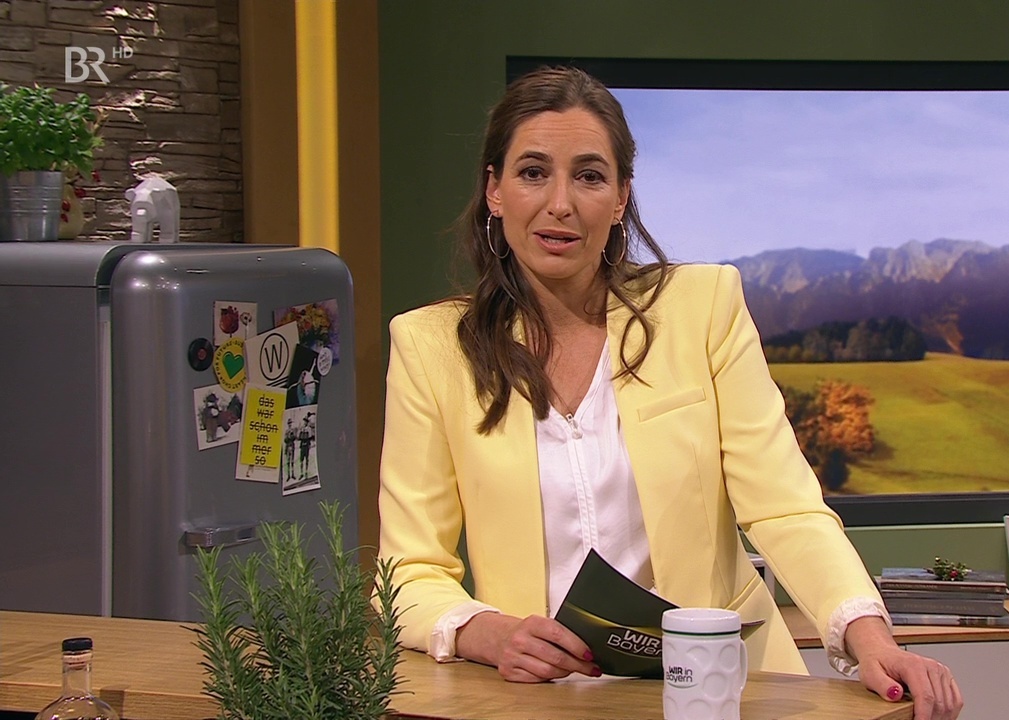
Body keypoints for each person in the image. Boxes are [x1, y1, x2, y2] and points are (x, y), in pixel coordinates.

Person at [379, 66, 962, 719]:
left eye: (589, 176)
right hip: (539, 701)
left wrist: (869, 637)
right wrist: (485, 631)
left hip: (720, 694)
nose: (560, 203)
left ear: (621, 197)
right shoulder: (430, 348)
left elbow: (785, 507)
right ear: (494, 190)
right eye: (533, 172)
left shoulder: (702, 308)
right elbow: (407, 569)